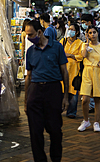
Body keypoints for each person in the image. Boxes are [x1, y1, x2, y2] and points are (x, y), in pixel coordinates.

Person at [24, 20, 69, 162]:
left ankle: (56, 158)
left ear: (39, 32)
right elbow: (28, 77)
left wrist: (66, 96)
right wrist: (26, 100)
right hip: (35, 91)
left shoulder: (57, 47)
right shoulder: (30, 51)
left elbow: (64, 72)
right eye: (27, 35)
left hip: (53, 90)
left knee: (55, 130)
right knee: (35, 133)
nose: (29, 38)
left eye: (31, 34)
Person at [78, 25, 100, 132]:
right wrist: (86, 45)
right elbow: (83, 55)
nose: (92, 34)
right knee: (85, 99)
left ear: (97, 33)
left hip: (98, 72)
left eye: (94, 32)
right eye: (90, 33)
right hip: (87, 72)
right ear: (87, 34)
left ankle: (96, 122)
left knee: (97, 99)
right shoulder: (84, 45)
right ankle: (86, 120)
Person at [81, 13, 100, 111]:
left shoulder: (99, 31)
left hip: (99, 64)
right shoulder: (86, 33)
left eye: (84, 22)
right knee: (92, 87)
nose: (92, 34)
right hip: (89, 65)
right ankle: (93, 105)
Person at [60, 23, 83, 118]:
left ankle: (71, 112)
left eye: (72, 29)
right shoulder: (63, 41)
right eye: (69, 29)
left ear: (77, 32)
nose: (70, 31)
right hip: (63, 69)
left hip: (74, 71)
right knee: (61, 89)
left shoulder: (80, 43)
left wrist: (71, 55)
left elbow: (81, 56)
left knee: (73, 91)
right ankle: (60, 109)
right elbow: (59, 53)